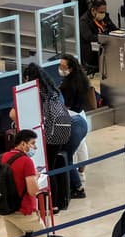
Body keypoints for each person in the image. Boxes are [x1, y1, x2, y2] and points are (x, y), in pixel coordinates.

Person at [8, 63, 81, 199]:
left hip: (47, 134)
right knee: (53, 167)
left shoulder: (33, 91)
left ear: (28, 77)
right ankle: (58, 200)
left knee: (46, 170)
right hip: (63, 131)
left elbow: (12, 114)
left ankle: (53, 202)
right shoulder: (53, 90)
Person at [58, 54, 94, 196]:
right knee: (82, 146)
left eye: (63, 66)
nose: (60, 69)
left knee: (68, 153)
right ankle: (81, 173)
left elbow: (65, 104)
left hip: (72, 116)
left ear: (71, 68)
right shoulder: (81, 79)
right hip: (81, 114)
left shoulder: (68, 85)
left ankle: (77, 181)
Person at [80, 0, 117, 75]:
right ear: (93, 10)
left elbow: (114, 29)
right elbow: (89, 37)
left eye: (104, 11)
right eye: (101, 12)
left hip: (106, 47)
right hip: (92, 54)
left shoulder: (104, 16)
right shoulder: (84, 21)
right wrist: (106, 38)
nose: (103, 14)